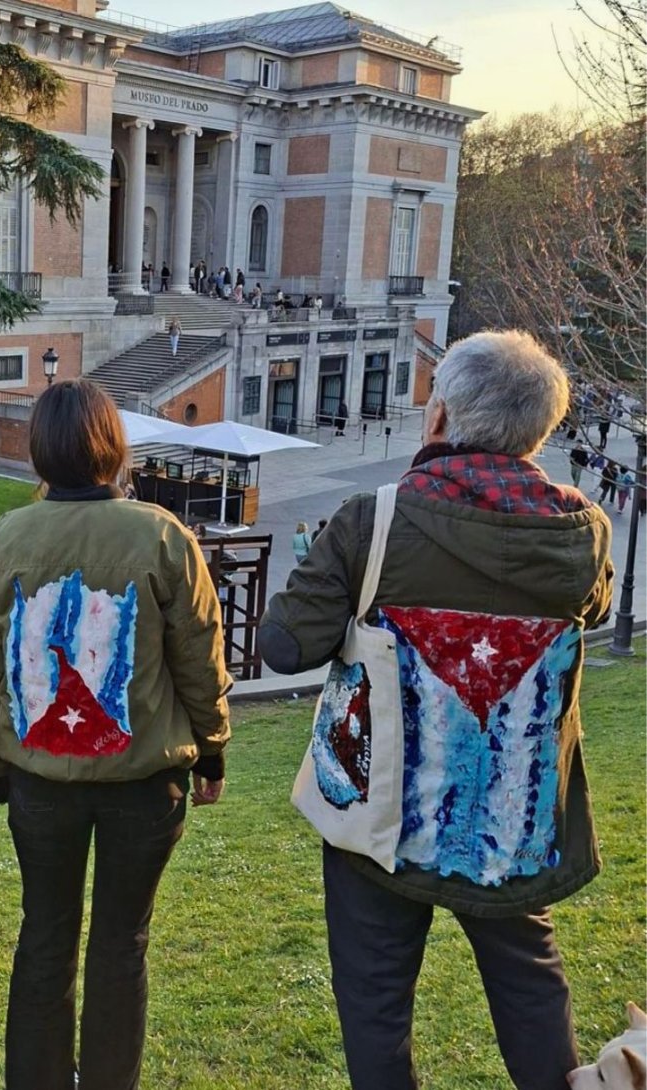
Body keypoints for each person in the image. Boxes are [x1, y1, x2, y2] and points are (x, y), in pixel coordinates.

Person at [259, 330, 612, 1090]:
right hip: (513, 820)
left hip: (383, 819)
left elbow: (285, 646)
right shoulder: (583, 532)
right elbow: (598, 605)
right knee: (529, 987)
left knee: (376, 1008)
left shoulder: (373, 522)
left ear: (441, 417)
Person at [0, 379, 230, 1090]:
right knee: (123, 942)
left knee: (44, 938)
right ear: (114, 447)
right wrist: (213, 749)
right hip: (144, 783)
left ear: (38, 452)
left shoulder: (4, 538)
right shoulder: (162, 535)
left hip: (41, 779)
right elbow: (200, 659)